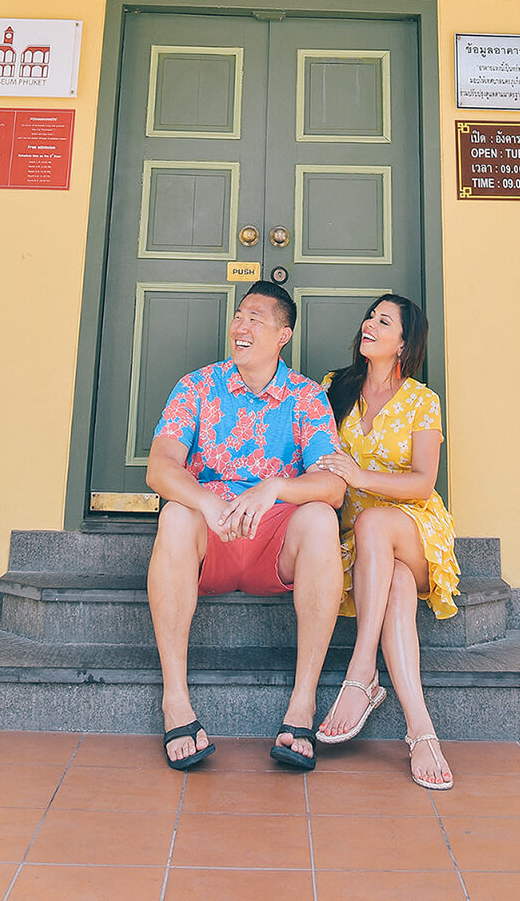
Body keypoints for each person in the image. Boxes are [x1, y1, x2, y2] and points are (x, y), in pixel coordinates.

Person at [145, 280, 345, 773]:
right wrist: (207, 501)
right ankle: (176, 700)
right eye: (239, 316)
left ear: (283, 335)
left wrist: (274, 488)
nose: (241, 325)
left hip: (273, 544)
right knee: (174, 513)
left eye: (256, 318)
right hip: (210, 539)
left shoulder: (307, 397)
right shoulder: (197, 386)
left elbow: (332, 486)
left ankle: (302, 705)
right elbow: (160, 467)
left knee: (320, 518)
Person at [314, 293, 459, 789]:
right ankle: (422, 731)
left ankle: (361, 671)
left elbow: (423, 482)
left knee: (378, 523)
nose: (368, 325)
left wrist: (358, 475)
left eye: (383, 320)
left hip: (416, 530)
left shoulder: (422, 400)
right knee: (393, 580)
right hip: (362, 544)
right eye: (369, 317)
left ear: (404, 342)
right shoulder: (334, 388)